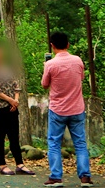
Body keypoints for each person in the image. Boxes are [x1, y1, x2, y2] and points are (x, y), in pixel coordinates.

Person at [42, 32, 92, 186]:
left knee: (54, 143)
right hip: (77, 108)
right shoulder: (78, 61)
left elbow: (44, 84)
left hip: (57, 109)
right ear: (68, 44)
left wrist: (46, 67)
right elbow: (81, 78)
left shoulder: (50, 64)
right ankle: (85, 177)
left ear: (52, 45)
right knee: (80, 143)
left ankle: (56, 177)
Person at [0, 44, 34, 176]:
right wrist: (9, 100)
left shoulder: (7, 69)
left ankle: (20, 164)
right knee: (0, 136)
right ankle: (2, 165)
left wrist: (15, 100)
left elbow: (16, 85)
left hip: (11, 108)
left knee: (14, 137)